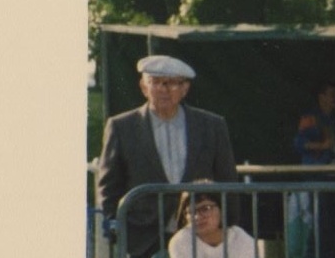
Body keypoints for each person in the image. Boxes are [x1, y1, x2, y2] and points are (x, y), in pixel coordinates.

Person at [98, 54, 238, 238]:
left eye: (172, 83)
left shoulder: (212, 125)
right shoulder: (121, 126)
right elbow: (109, 185)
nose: (164, 90)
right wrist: (116, 228)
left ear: (185, 89)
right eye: (156, 82)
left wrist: (227, 228)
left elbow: (228, 180)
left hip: (200, 235)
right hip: (142, 237)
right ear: (143, 87)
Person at [289, 81, 335, 258]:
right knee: (319, 221)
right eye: (331, 94)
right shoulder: (310, 118)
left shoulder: (333, 120)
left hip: (333, 177)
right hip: (318, 176)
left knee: (333, 222)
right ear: (321, 96)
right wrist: (322, 146)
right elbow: (299, 144)